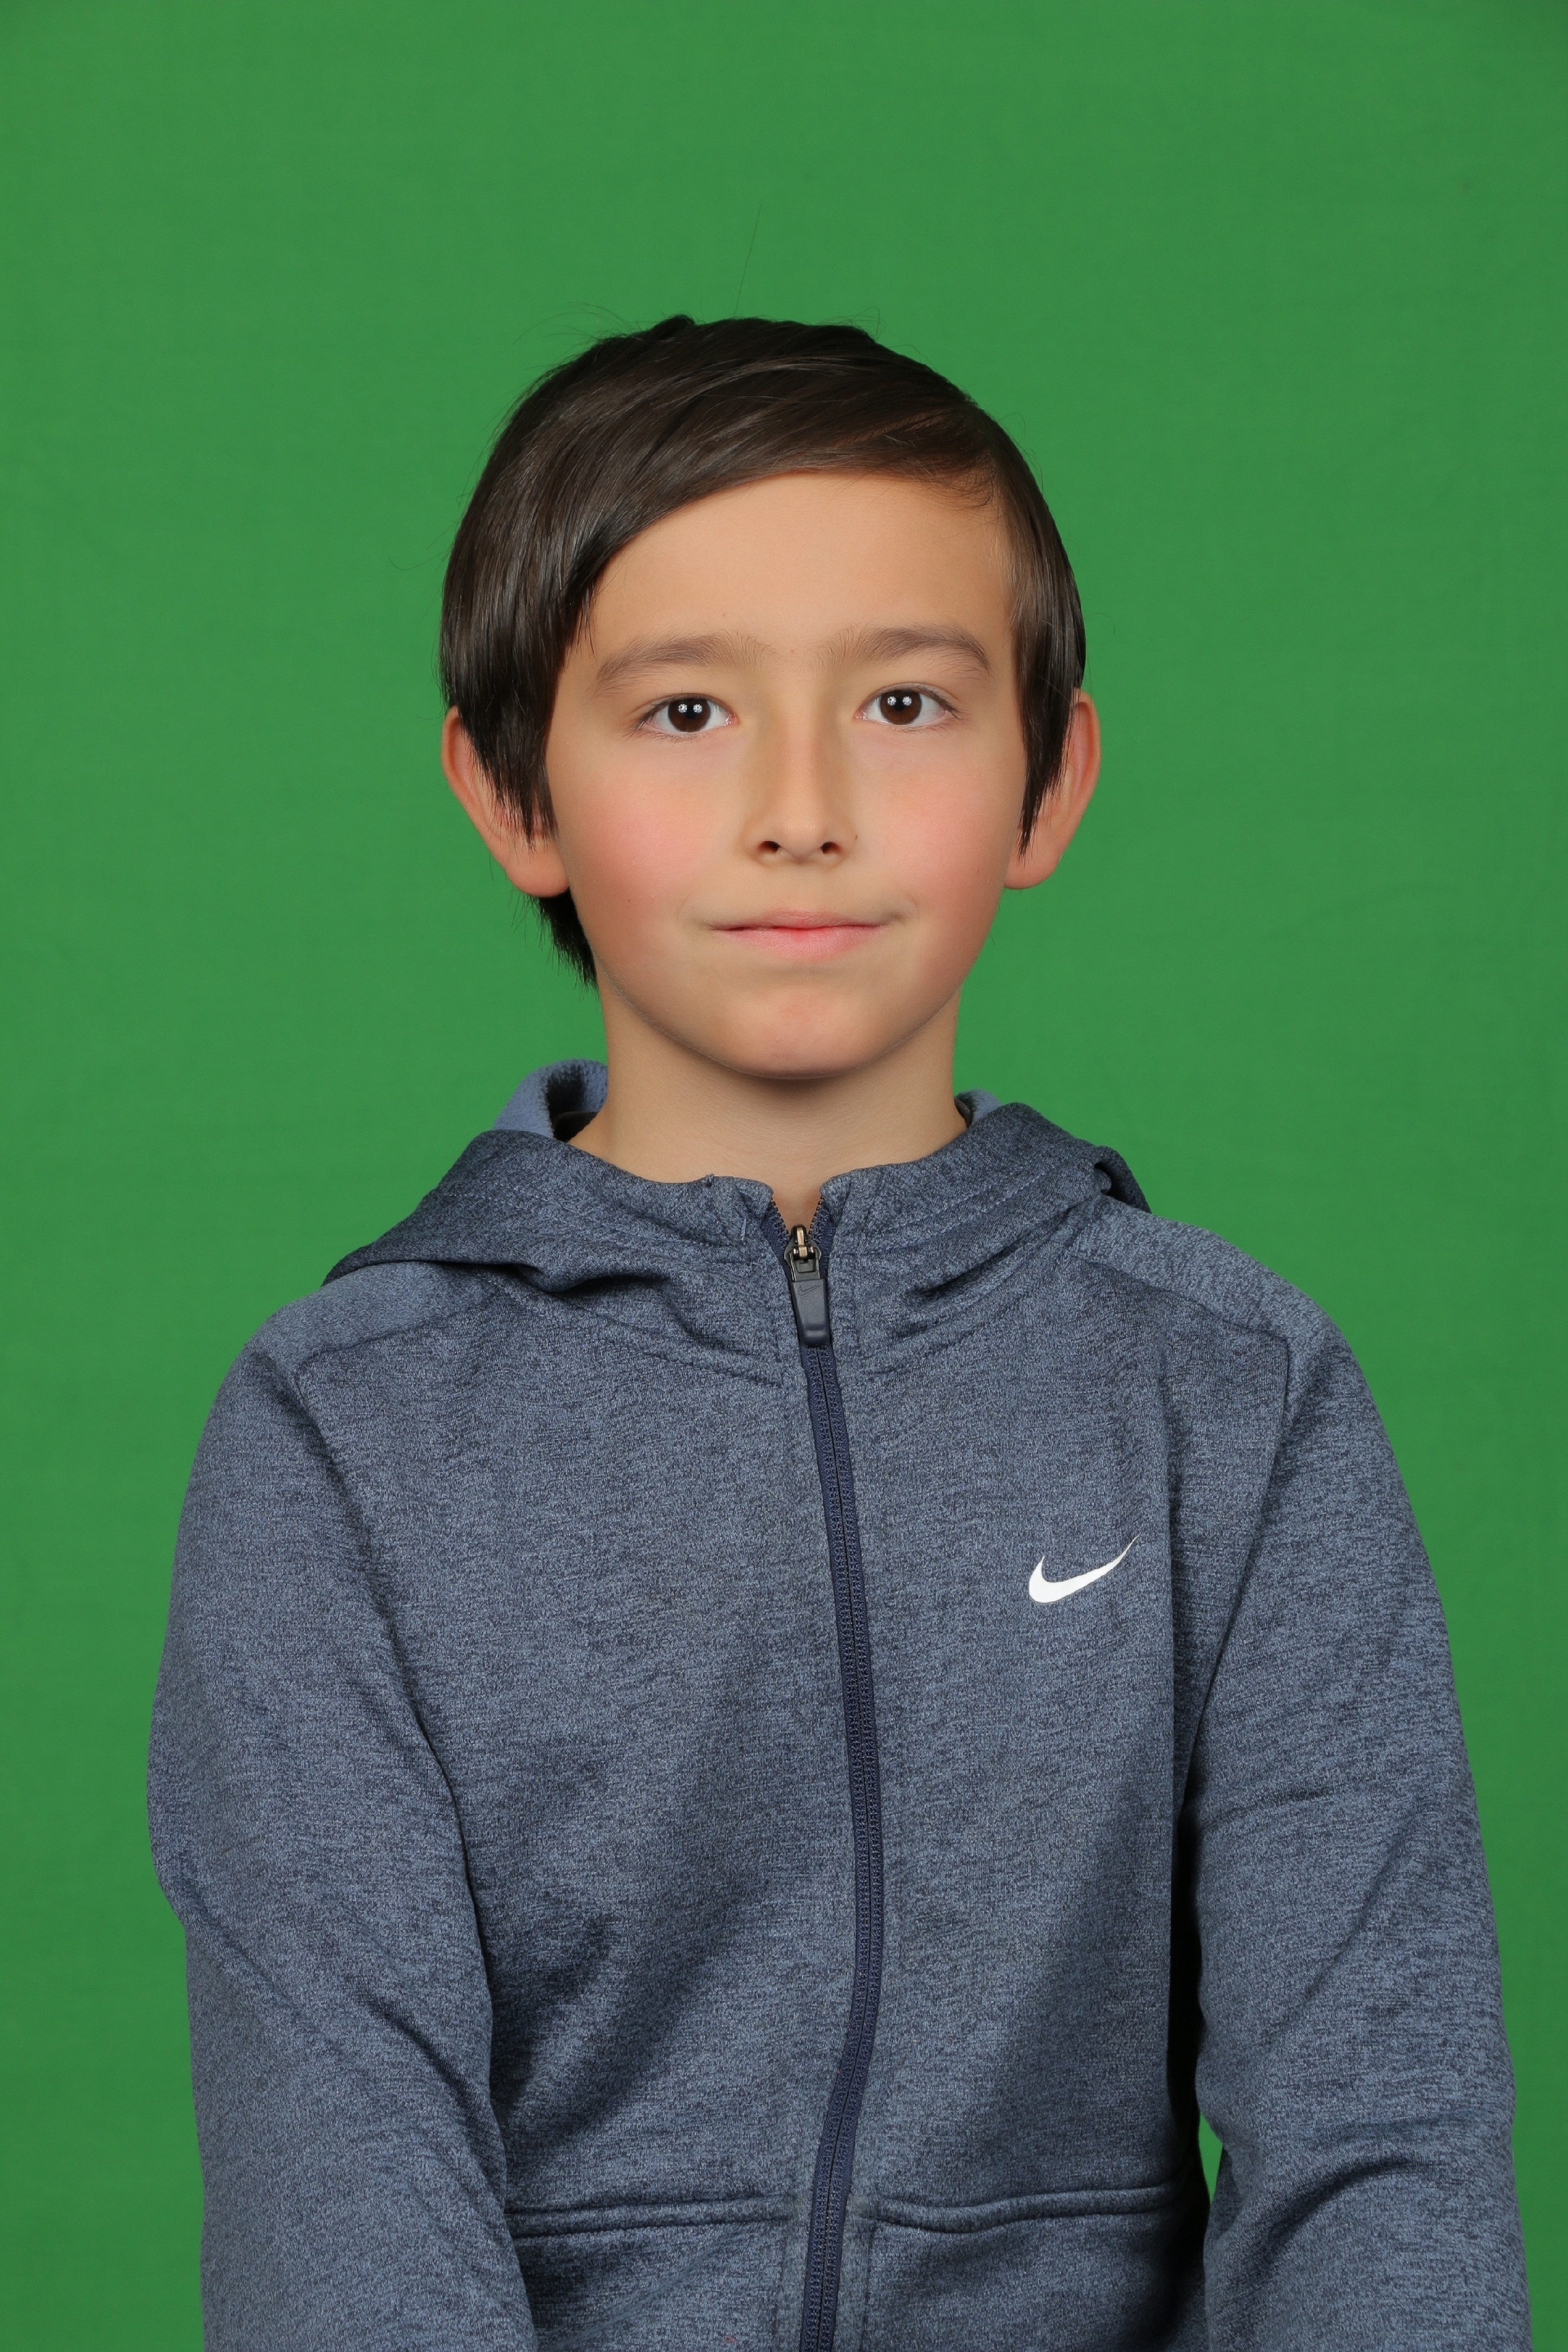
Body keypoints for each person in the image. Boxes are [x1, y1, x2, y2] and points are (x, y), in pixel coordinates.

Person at [148, 317, 1529, 2352]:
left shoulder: (1234, 1395)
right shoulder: (342, 1432)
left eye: (903, 701)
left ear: (1049, 780)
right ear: (515, 790)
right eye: (687, 708)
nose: (801, 807)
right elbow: (341, 2222)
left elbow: (1383, 2149)